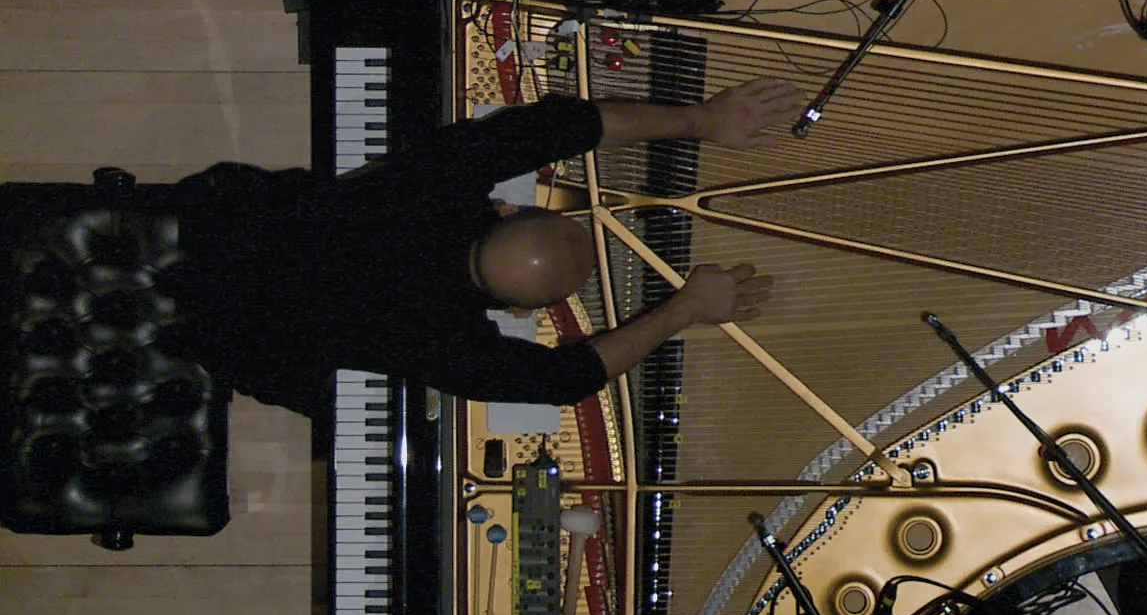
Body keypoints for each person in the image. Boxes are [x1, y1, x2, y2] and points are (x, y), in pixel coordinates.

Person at [168, 79, 800, 420]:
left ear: (506, 208)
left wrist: (701, 121)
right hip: (212, 344)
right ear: (521, 315)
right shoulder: (443, 345)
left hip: (193, 229)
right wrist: (685, 311)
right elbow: (560, 381)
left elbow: (565, 124)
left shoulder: (433, 180)